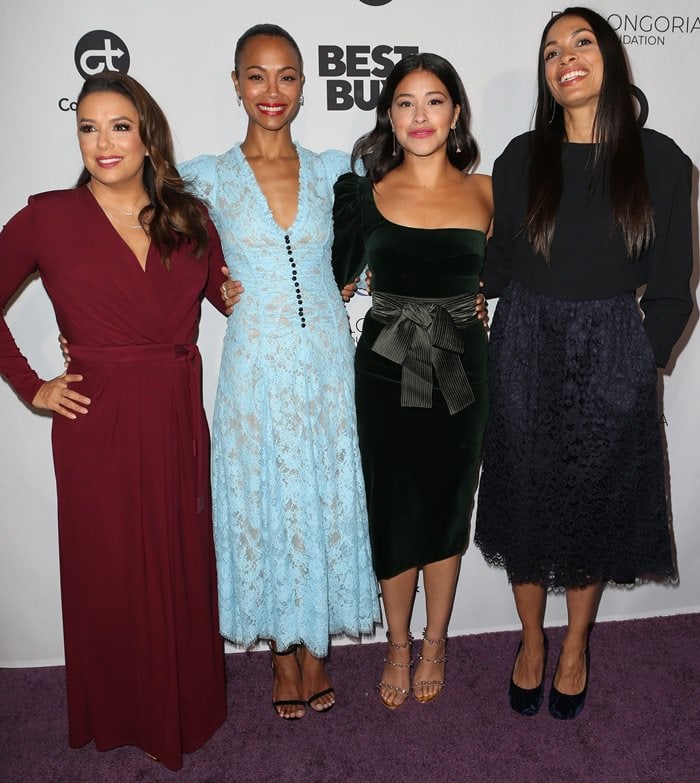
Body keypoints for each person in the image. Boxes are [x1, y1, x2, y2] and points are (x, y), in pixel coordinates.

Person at [0, 73, 228, 768]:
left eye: (118, 125)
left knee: (179, 561)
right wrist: (29, 384)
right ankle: (124, 708)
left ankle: (184, 704)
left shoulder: (188, 215)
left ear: (146, 132)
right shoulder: (47, 216)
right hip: (95, 421)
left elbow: (234, 297)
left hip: (173, 415)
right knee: (109, 570)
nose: (103, 141)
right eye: (88, 127)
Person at [474, 7, 693, 720]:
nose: (565, 57)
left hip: (611, 350)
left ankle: (574, 646)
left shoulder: (660, 159)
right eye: (550, 51)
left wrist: (642, 364)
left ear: (610, 58)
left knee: (592, 507)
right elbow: (497, 262)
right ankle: (531, 639)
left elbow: (671, 288)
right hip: (525, 344)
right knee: (526, 502)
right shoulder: (517, 158)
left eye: (581, 42)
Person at [179, 24, 381, 720]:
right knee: (266, 495)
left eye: (287, 75)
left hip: (327, 360)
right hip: (255, 367)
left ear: (303, 86)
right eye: (257, 75)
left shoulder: (333, 171)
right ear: (236, 83)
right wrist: (209, 287)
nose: (272, 90)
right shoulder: (206, 175)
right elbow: (130, 223)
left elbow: (396, 226)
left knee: (322, 491)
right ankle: (281, 654)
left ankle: (316, 646)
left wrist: (462, 288)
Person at [332, 53, 492, 709]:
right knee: (394, 507)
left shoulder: (489, 192)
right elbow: (329, 282)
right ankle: (398, 644)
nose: (420, 115)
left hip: (462, 364)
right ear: (389, 118)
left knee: (449, 503)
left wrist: (484, 296)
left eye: (433, 101)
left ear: (455, 113)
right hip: (385, 365)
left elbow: (525, 272)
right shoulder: (361, 193)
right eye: (405, 102)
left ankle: (436, 641)